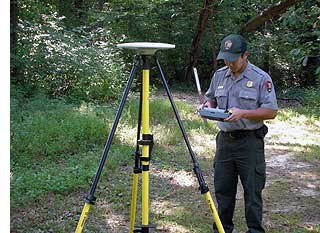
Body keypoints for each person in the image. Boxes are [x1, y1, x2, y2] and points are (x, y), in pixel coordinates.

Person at [198, 34, 278, 233]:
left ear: (245, 55)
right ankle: (222, 229)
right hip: (225, 142)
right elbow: (211, 98)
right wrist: (207, 106)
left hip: (249, 142)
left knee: (252, 192)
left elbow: (271, 111)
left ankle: (255, 230)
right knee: (223, 190)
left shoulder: (260, 78)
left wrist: (244, 113)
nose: (229, 63)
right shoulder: (219, 75)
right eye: (225, 58)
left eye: (233, 59)